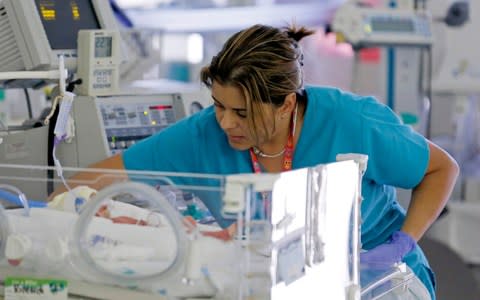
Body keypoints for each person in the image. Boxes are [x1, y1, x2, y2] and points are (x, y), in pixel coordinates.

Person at [67, 24, 458, 299]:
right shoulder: (206, 133)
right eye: (219, 106)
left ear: (287, 103)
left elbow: (441, 169)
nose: (225, 122)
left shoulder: (351, 121)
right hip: (273, 284)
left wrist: (401, 242)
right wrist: (70, 206)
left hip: (380, 279)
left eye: (242, 113)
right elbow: (97, 178)